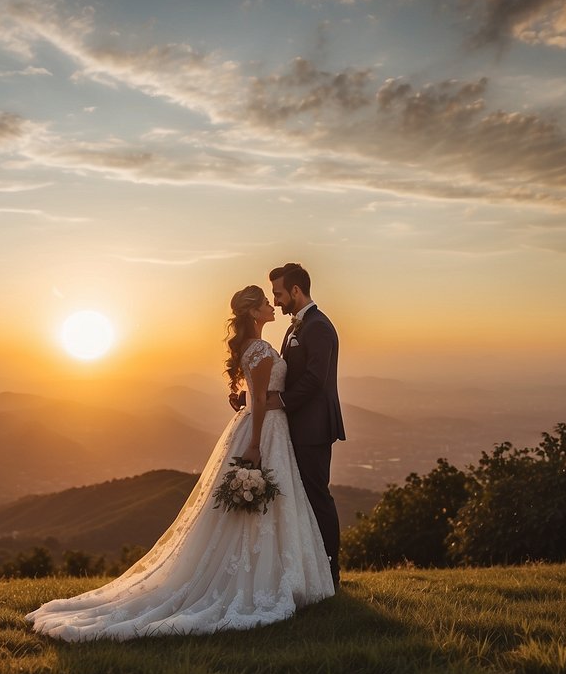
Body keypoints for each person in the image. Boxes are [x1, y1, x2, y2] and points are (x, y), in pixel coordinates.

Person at [25, 285, 335, 641]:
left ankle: (262, 574)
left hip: (260, 426)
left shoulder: (253, 348)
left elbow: (254, 393)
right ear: (253, 313)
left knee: (266, 508)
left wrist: (246, 400)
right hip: (264, 431)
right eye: (265, 303)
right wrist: (254, 444)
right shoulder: (262, 349)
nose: (271, 306)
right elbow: (263, 401)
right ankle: (263, 579)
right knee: (269, 504)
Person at [234, 263, 344, 586]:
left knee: (317, 499)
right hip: (290, 427)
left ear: (296, 291)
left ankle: (330, 574)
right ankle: (307, 573)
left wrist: (277, 403)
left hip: (313, 428)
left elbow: (314, 379)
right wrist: (250, 399)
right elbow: (279, 379)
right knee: (300, 502)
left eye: (279, 294)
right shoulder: (293, 328)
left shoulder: (319, 327)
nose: (276, 300)